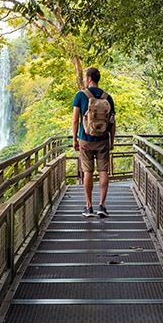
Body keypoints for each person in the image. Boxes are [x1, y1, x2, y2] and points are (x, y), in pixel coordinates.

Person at [72, 66, 116, 217]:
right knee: (104, 171)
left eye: (85, 77)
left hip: (85, 139)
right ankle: (102, 206)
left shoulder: (80, 95)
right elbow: (112, 122)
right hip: (103, 139)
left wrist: (74, 139)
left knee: (87, 171)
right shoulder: (107, 97)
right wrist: (112, 140)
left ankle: (89, 207)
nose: (85, 79)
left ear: (89, 78)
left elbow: (75, 120)